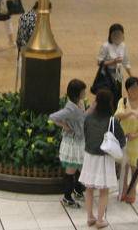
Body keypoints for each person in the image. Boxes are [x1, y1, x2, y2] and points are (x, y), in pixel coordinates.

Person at [80, 88, 125, 229]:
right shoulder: (113, 121)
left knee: (89, 188)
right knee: (104, 189)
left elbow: (85, 134)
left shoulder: (88, 118)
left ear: (97, 102)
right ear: (110, 103)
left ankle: (89, 217)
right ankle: (100, 219)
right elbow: (122, 140)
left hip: (89, 156)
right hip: (104, 158)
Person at [49, 79, 87, 208]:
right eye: (83, 91)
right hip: (72, 143)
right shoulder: (70, 109)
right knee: (71, 170)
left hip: (79, 140)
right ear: (77, 93)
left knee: (78, 168)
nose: (85, 93)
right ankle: (67, 197)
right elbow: (53, 117)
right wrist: (65, 126)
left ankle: (77, 190)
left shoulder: (80, 103)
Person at [116, 77, 138, 204]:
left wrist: (136, 135)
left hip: (137, 141)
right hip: (123, 138)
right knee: (123, 165)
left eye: (136, 88)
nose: (134, 91)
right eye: (131, 88)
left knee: (135, 166)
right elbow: (118, 115)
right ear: (127, 90)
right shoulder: (123, 101)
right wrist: (131, 113)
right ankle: (123, 187)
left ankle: (132, 190)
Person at [98, 23, 133, 102]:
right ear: (111, 35)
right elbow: (99, 62)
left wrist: (131, 75)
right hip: (107, 73)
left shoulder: (123, 46)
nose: (118, 36)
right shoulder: (105, 46)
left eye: (120, 34)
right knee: (108, 95)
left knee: (118, 94)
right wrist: (113, 61)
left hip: (118, 72)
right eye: (115, 34)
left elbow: (126, 62)